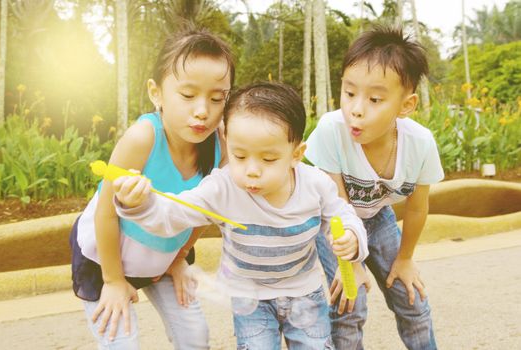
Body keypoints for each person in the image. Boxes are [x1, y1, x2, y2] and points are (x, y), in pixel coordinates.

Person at [112, 82, 369, 350]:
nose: (252, 171)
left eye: (268, 159)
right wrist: (138, 204)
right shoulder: (223, 187)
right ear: (228, 144)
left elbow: (343, 214)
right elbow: (171, 214)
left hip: (305, 292)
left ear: (296, 155)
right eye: (239, 155)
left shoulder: (315, 185)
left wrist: (351, 237)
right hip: (251, 299)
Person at [69, 29, 234, 349]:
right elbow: (106, 212)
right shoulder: (142, 137)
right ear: (156, 93)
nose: (203, 110)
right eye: (188, 95)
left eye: (217, 98)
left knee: (195, 337)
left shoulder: (219, 142)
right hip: (106, 259)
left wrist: (179, 258)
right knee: (122, 342)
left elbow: (202, 212)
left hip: (163, 255)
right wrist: (114, 281)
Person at [306, 25, 444, 350]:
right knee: (350, 303)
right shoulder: (331, 130)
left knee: (412, 298)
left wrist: (406, 258)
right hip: (333, 222)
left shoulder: (420, 144)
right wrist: (351, 263)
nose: (356, 108)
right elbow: (336, 206)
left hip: (377, 218)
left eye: (375, 99)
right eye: (349, 93)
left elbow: (417, 206)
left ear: (405, 105)